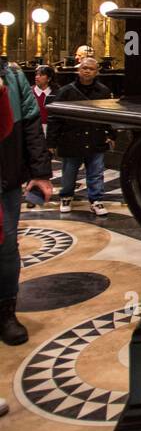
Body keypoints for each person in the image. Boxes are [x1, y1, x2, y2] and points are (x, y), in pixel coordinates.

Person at [0, 54, 53, 356]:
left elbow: (32, 124)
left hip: (5, 175)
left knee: (6, 245)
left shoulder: (13, 75)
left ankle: (6, 310)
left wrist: (41, 173)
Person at [48, 56, 113, 216]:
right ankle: (66, 196)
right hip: (71, 138)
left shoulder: (103, 92)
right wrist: (51, 141)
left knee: (96, 171)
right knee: (70, 170)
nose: (87, 71)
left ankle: (96, 200)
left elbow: (110, 116)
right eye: (84, 68)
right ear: (78, 70)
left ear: (96, 72)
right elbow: (55, 118)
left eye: (91, 69)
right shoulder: (66, 91)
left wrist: (112, 135)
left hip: (95, 137)